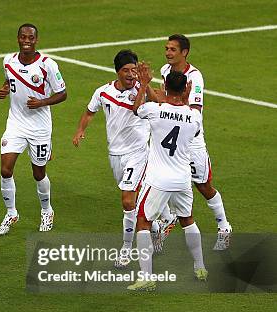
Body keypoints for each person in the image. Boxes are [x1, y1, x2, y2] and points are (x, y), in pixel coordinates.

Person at [150, 34, 232, 251]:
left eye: (172, 49)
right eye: (166, 48)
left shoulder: (195, 77)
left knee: (203, 186)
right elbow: (167, 97)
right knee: (163, 178)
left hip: (192, 141)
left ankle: (224, 227)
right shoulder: (165, 71)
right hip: (171, 138)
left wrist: (162, 101)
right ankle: (167, 220)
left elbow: (193, 110)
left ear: (184, 52)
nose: (168, 52)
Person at [128, 67, 207, 292]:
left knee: (142, 221)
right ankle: (200, 267)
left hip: (158, 180)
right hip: (182, 179)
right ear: (187, 89)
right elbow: (189, 127)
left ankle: (147, 277)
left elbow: (136, 110)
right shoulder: (195, 116)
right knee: (188, 220)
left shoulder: (155, 109)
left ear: (164, 87)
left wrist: (143, 84)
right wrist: (184, 98)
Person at [73, 50, 149, 268]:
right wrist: (80, 130)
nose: (131, 74)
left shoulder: (141, 90)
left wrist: (144, 84)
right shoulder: (103, 92)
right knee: (135, 198)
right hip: (115, 154)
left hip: (138, 152)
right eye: (126, 70)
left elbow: (149, 105)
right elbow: (89, 112)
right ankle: (160, 222)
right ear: (117, 72)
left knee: (127, 200)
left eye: (134, 70)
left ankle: (126, 248)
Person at [0, 23, 67, 235]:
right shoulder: (8, 61)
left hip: (39, 128)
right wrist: (4, 90)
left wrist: (43, 102)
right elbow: (11, 80)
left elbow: (63, 93)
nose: (27, 41)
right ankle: (11, 213)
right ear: (17, 38)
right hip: (15, 124)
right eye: (23, 37)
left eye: (31, 38)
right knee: (5, 169)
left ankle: (47, 210)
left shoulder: (47, 65)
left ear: (37, 40)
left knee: (38, 173)